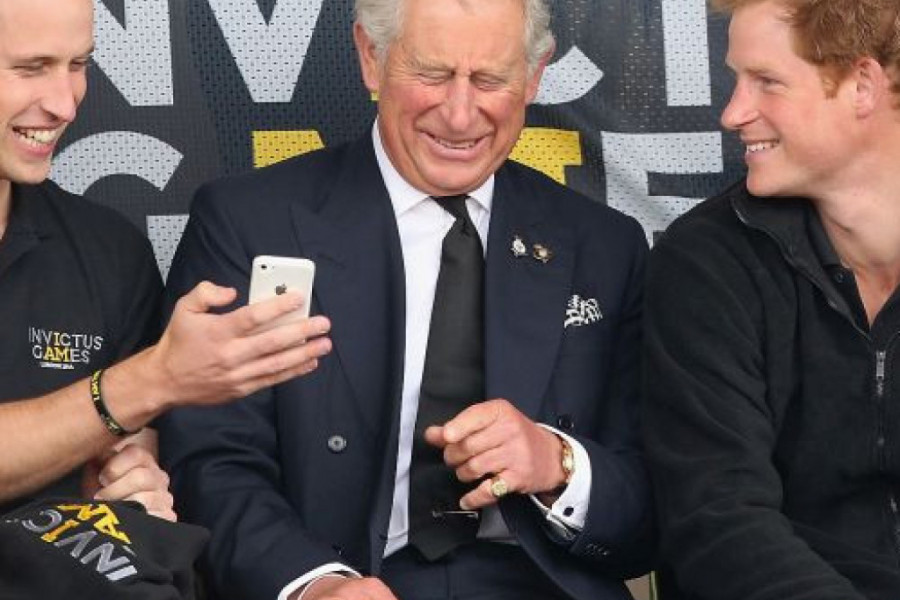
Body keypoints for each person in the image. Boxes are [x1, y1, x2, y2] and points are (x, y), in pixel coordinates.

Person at [159, 0, 653, 599]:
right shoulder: (249, 222)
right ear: (371, 57)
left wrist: (559, 464)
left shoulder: (605, 246)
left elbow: (659, 506)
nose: (460, 113)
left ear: (535, 75)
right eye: (433, 74)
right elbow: (211, 460)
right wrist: (313, 584)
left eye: (490, 79)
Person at [0, 0, 332, 521]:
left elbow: (128, 460)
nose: (65, 104)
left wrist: (128, 487)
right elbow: (133, 397)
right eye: (30, 68)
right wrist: (148, 382)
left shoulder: (108, 251)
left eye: (79, 64)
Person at [643, 0, 900, 598]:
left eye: (767, 81)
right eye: (737, 79)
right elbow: (718, 519)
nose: (733, 113)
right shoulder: (706, 262)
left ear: (863, 85)